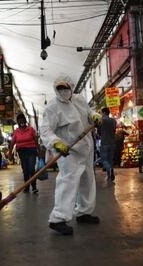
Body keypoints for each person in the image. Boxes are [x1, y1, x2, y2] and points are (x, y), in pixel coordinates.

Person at [39, 76, 102, 235]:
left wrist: (95, 115)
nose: (62, 91)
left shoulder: (80, 99)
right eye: (59, 88)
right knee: (68, 181)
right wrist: (55, 143)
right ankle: (58, 219)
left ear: (71, 87)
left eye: (65, 87)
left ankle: (84, 212)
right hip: (68, 150)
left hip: (86, 146)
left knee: (87, 178)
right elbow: (46, 130)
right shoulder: (52, 107)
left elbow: (89, 112)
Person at [7, 113, 39, 194]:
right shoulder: (16, 131)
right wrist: (10, 152)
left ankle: (34, 186)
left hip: (31, 150)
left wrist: (39, 150)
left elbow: (36, 141)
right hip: (22, 152)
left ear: (25, 121)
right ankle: (27, 186)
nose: (21, 122)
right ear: (18, 122)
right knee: (25, 170)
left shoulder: (31, 129)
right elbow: (13, 142)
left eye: (22, 120)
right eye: (19, 121)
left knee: (31, 169)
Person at [98, 107, 117, 181]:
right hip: (112, 142)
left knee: (104, 159)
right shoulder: (114, 121)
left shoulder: (101, 120)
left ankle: (110, 169)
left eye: (101, 113)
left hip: (104, 143)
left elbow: (99, 132)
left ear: (104, 113)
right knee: (110, 160)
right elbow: (114, 130)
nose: (101, 114)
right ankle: (109, 176)